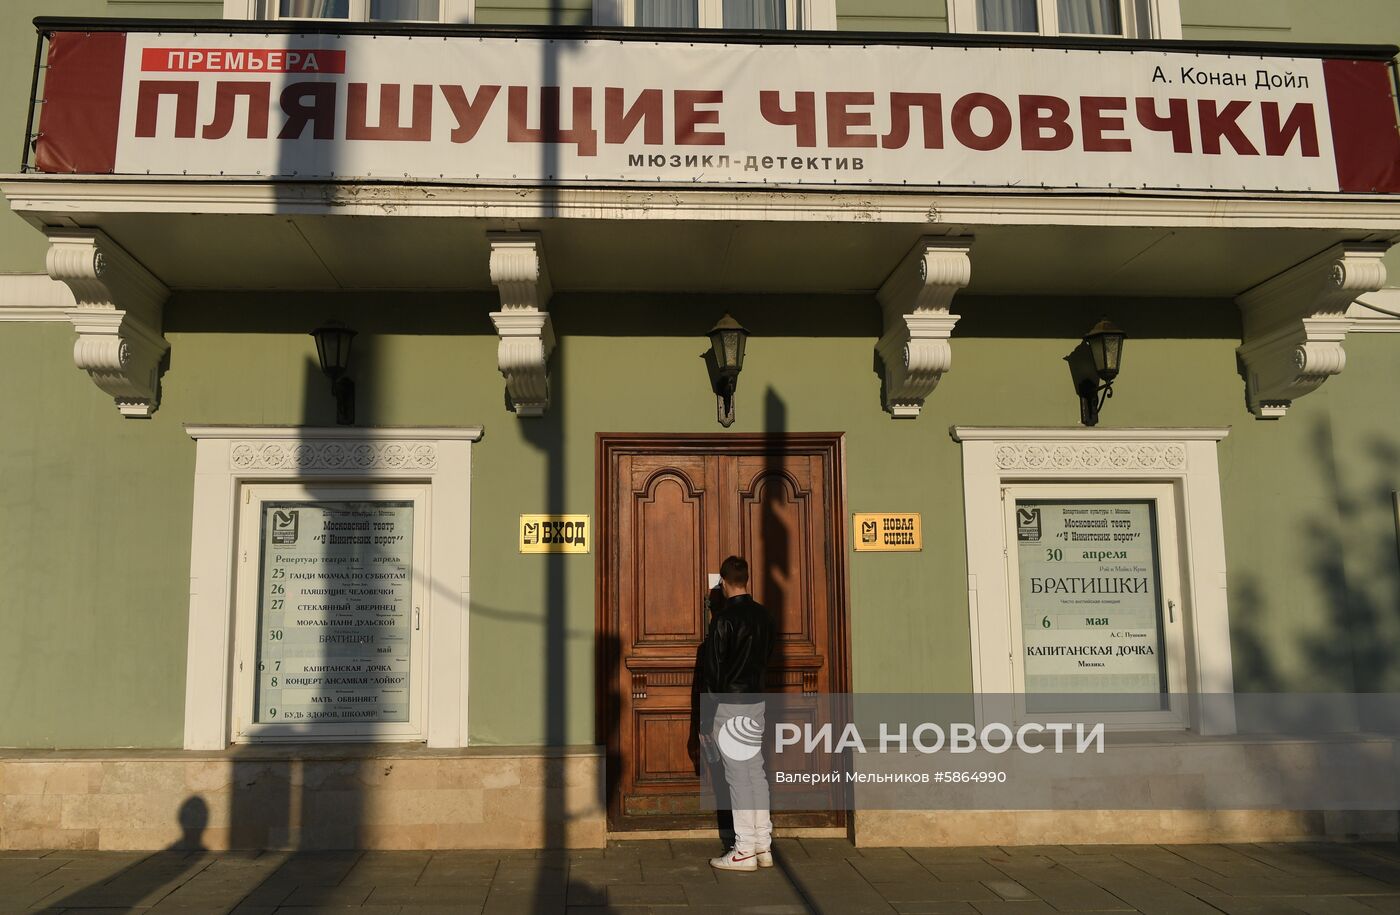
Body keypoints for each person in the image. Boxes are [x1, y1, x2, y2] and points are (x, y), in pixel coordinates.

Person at [698, 555, 776, 872]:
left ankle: (743, 849)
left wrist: (705, 721)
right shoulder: (764, 617)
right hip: (756, 702)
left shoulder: (723, 621)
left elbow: (714, 674)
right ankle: (762, 845)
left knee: (738, 778)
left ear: (723, 583)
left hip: (729, 706)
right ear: (746, 579)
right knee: (755, 773)